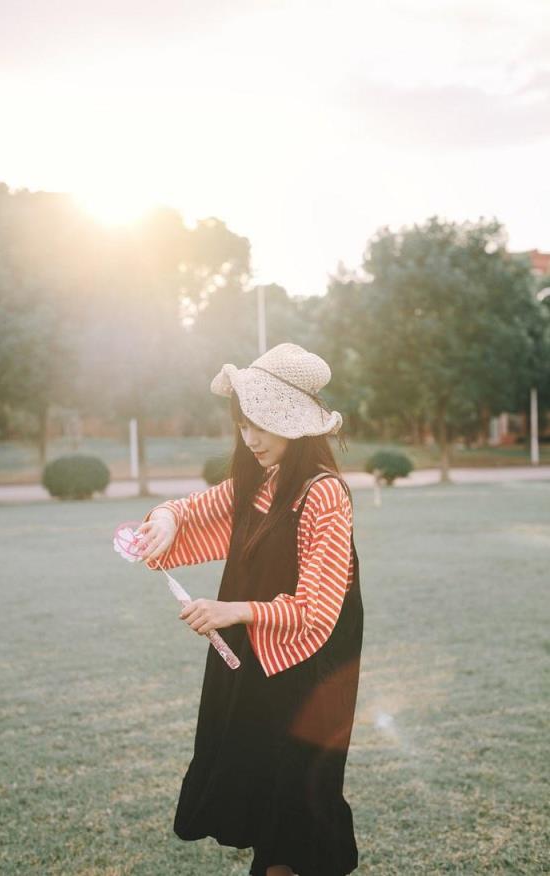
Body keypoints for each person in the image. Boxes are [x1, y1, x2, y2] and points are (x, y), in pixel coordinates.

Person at [135, 342, 364, 876]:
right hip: (259, 667)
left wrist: (231, 611)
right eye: (243, 424)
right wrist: (165, 517)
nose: (251, 438)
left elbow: (318, 610)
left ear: (294, 423)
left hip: (308, 676)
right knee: (269, 806)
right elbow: (189, 511)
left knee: (299, 807)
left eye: (261, 424)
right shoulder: (256, 484)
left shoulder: (323, 494)